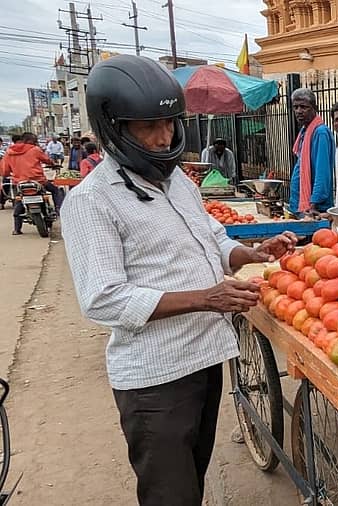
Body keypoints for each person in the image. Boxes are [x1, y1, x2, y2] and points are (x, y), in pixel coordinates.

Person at [61, 54, 299, 506]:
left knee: (194, 476)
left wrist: (248, 252)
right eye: (149, 126)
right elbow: (103, 297)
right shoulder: (92, 202)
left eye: (170, 123)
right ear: (114, 128)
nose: (164, 136)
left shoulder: (177, 183)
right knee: (171, 494)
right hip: (156, 379)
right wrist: (205, 298)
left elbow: (210, 236)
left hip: (205, 360)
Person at [0, 132, 64, 235]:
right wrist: (53, 164)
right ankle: (59, 210)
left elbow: (4, 171)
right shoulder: (35, 150)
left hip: (20, 183)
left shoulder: (9, 152)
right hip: (39, 181)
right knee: (55, 190)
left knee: (19, 202)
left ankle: (17, 229)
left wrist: (13, 172)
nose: (36, 143)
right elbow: (47, 160)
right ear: (29, 141)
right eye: (34, 141)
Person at [288, 88, 334, 216]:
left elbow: (322, 172)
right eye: (295, 107)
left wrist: (313, 204)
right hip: (300, 205)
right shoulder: (305, 131)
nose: (298, 111)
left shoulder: (320, 133)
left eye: (303, 107)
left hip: (313, 209)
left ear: (315, 108)